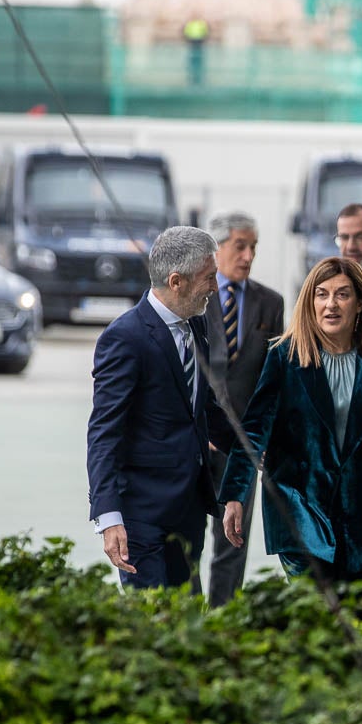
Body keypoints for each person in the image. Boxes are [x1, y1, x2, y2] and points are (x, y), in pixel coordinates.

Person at [219, 257, 362, 585]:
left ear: (360, 304)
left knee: (360, 619)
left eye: (342, 295)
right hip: (300, 511)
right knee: (315, 614)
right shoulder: (284, 357)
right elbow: (254, 431)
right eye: (321, 294)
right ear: (309, 302)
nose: (331, 304)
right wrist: (235, 494)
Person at [86, 226, 225, 591]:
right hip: (141, 518)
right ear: (176, 281)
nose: (215, 287)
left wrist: (259, 444)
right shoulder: (125, 337)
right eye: (209, 278)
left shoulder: (196, 325)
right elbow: (104, 431)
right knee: (152, 625)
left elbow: (204, 407)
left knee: (187, 623)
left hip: (189, 512)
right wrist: (108, 515)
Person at [202, 211, 285, 606]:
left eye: (254, 247)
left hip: (244, 446)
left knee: (232, 542)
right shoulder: (193, 301)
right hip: (196, 442)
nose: (249, 255)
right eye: (240, 245)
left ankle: (222, 623)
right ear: (216, 249)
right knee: (184, 542)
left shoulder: (271, 303)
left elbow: (273, 379)